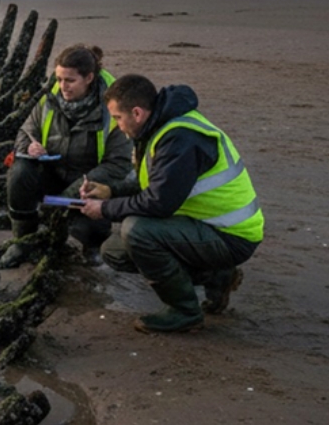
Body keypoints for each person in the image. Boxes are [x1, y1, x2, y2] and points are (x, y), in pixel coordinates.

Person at [79, 74, 264, 333]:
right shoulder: (159, 128)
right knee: (115, 251)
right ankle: (217, 276)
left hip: (232, 235)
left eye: (118, 118)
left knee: (137, 231)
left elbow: (159, 203)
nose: (118, 126)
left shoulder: (179, 138)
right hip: (204, 225)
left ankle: (185, 312)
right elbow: (157, 185)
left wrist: (104, 209)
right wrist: (110, 191)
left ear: (137, 113)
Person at [2, 44, 132, 267]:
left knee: (88, 229)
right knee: (20, 171)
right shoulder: (49, 98)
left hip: (89, 184)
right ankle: (22, 241)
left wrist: (67, 196)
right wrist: (29, 147)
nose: (63, 86)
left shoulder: (113, 111)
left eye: (70, 80)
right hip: (53, 174)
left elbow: (117, 165)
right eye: (59, 79)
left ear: (89, 78)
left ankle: (93, 246)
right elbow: (25, 132)